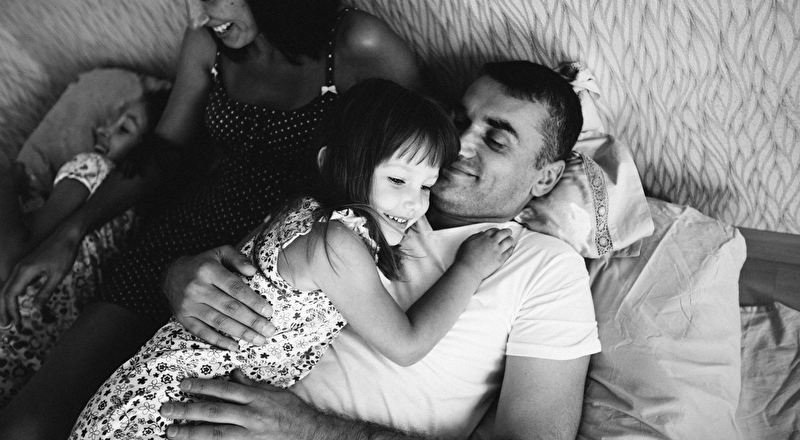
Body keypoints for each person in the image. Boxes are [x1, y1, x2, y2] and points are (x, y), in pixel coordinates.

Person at [0, 0, 420, 437]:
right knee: (27, 425)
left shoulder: (359, 46)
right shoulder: (207, 47)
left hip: (261, 273)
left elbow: (413, 158)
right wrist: (71, 232)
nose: (195, 17)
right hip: (176, 247)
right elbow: (164, 152)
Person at [150, 61, 602, 439]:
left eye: (497, 140)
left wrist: (307, 429)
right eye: (459, 121)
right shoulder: (361, 190)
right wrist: (178, 276)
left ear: (546, 177)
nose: (461, 143)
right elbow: (258, 256)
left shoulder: (546, 268)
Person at [70, 79, 515, 439]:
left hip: (149, 395)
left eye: (426, 185)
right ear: (333, 163)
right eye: (398, 180)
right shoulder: (336, 243)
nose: (415, 203)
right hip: (161, 414)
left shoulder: (299, 211)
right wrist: (468, 268)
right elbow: (407, 345)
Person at [0, 89, 170, 407]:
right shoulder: (139, 219)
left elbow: (12, 259)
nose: (102, 130)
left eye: (124, 128)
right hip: (37, 365)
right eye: (110, 122)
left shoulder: (93, 168)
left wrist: (7, 185)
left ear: (146, 147)